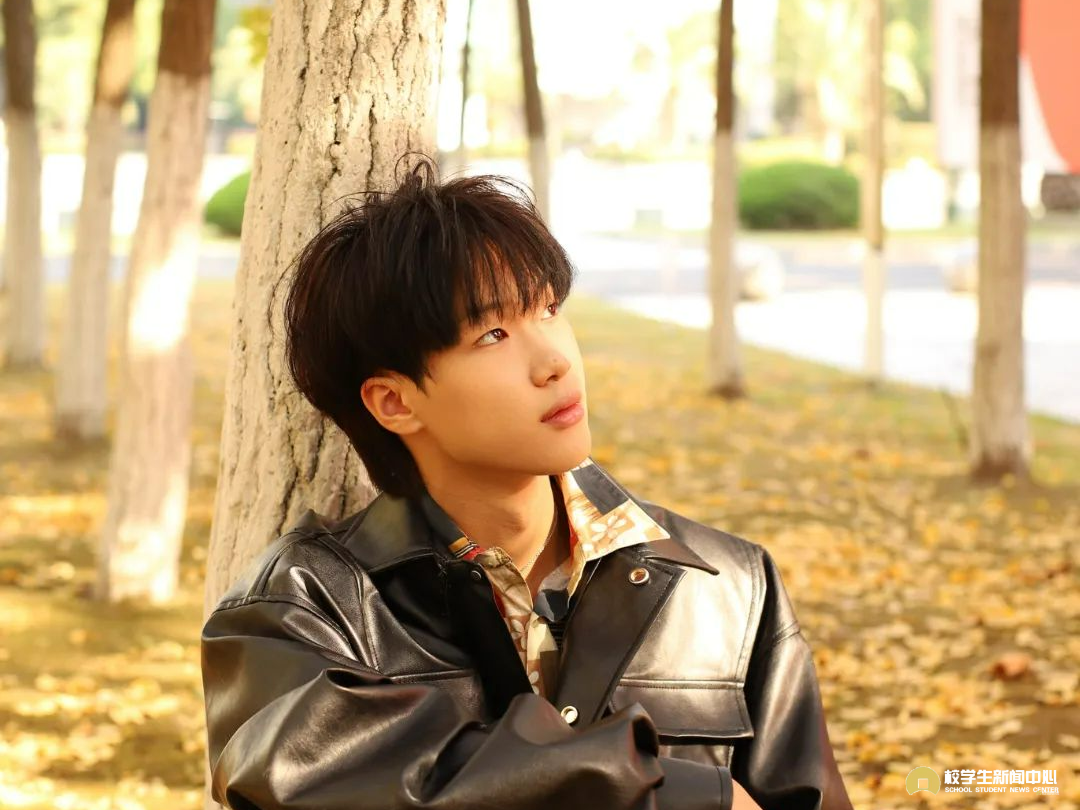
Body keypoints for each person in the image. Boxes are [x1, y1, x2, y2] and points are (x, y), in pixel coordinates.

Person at [200, 155, 854, 810]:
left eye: (548, 308)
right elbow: (335, 778)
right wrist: (685, 798)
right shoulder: (305, 610)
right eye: (492, 333)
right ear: (395, 403)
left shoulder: (728, 588)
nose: (554, 360)